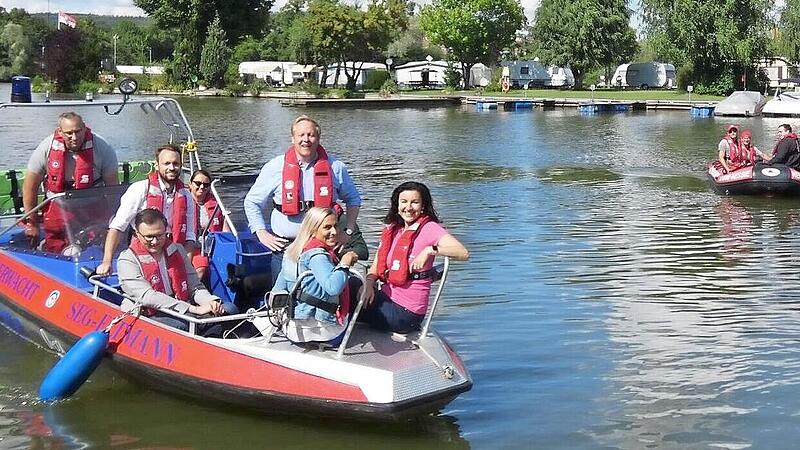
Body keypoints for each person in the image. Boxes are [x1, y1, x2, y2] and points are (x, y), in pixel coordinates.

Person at [244, 115, 362, 285]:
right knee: (283, 296)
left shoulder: (336, 167)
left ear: (318, 139)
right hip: (286, 249)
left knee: (325, 294)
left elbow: (353, 199)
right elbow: (252, 202)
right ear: (293, 138)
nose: (306, 140)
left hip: (322, 249)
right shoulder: (275, 167)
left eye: (311, 135)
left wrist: (348, 231)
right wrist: (261, 232)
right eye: (301, 135)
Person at [360, 182, 469, 334]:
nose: (408, 207)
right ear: (397, 204)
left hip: (406, 313)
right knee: (351, 284)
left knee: (346, 292)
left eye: (415, 202)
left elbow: (463, 253)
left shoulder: (430, 228)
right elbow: (375, 267)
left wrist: (430, 250)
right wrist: (369, 284)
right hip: (386, 298)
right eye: (404, 202)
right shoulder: (393, 230)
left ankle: (333, 336)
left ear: (423, 206)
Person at [118, 209, 232, 334]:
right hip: (150, 313)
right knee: (182, 326)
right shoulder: (127, 259)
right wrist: (193, 309)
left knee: (229, 309)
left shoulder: (177, 250)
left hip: (182, 306)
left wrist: (210, 301)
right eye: (149, 237)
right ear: (137, 234)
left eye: (160, 235)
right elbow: (147, 297)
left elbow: (195, 286)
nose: (155, 242)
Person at [22, 112, 119, 253]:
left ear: (84, 128)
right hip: (59, 206)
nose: (74, 137)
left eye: (78, 131)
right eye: (69, 133)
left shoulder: (103, 148)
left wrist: (115, 221)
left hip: (94, 205)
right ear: (60, 132)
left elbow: (113, 189)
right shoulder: (45, 148)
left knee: (102, 244)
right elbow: (30, 188)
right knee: (56, 246)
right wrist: (32, 223)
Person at [96, 144, 197, 276]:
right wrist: (106, 262)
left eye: (176, 164)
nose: (172, 168)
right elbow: (117, 226)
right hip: (142, 250)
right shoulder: (139, 189)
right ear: (157, 165)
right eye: (166, 163)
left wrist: (186, 267)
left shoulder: (187, 195)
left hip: (172, 251)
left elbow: (189, 236)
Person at [272, 207, 359, 343]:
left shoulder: (292, 251)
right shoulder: (317, 255)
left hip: (292, 328)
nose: (334, 232)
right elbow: (333, 288)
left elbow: (278, 289)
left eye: (335, 226)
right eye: (327, 227)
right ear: (313, 229)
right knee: (356, 284)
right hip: (320, 330)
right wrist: (345, 262)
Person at [188, 169, 229, 280]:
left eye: (206, 185)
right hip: (192, 246)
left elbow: (225, 230)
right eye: (198, 183)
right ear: (190, 184)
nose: (202, 187)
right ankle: (191, 288)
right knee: (201, 269)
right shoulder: (182, 201)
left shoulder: (217, 204)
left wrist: (228, 244)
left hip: (211, 245)